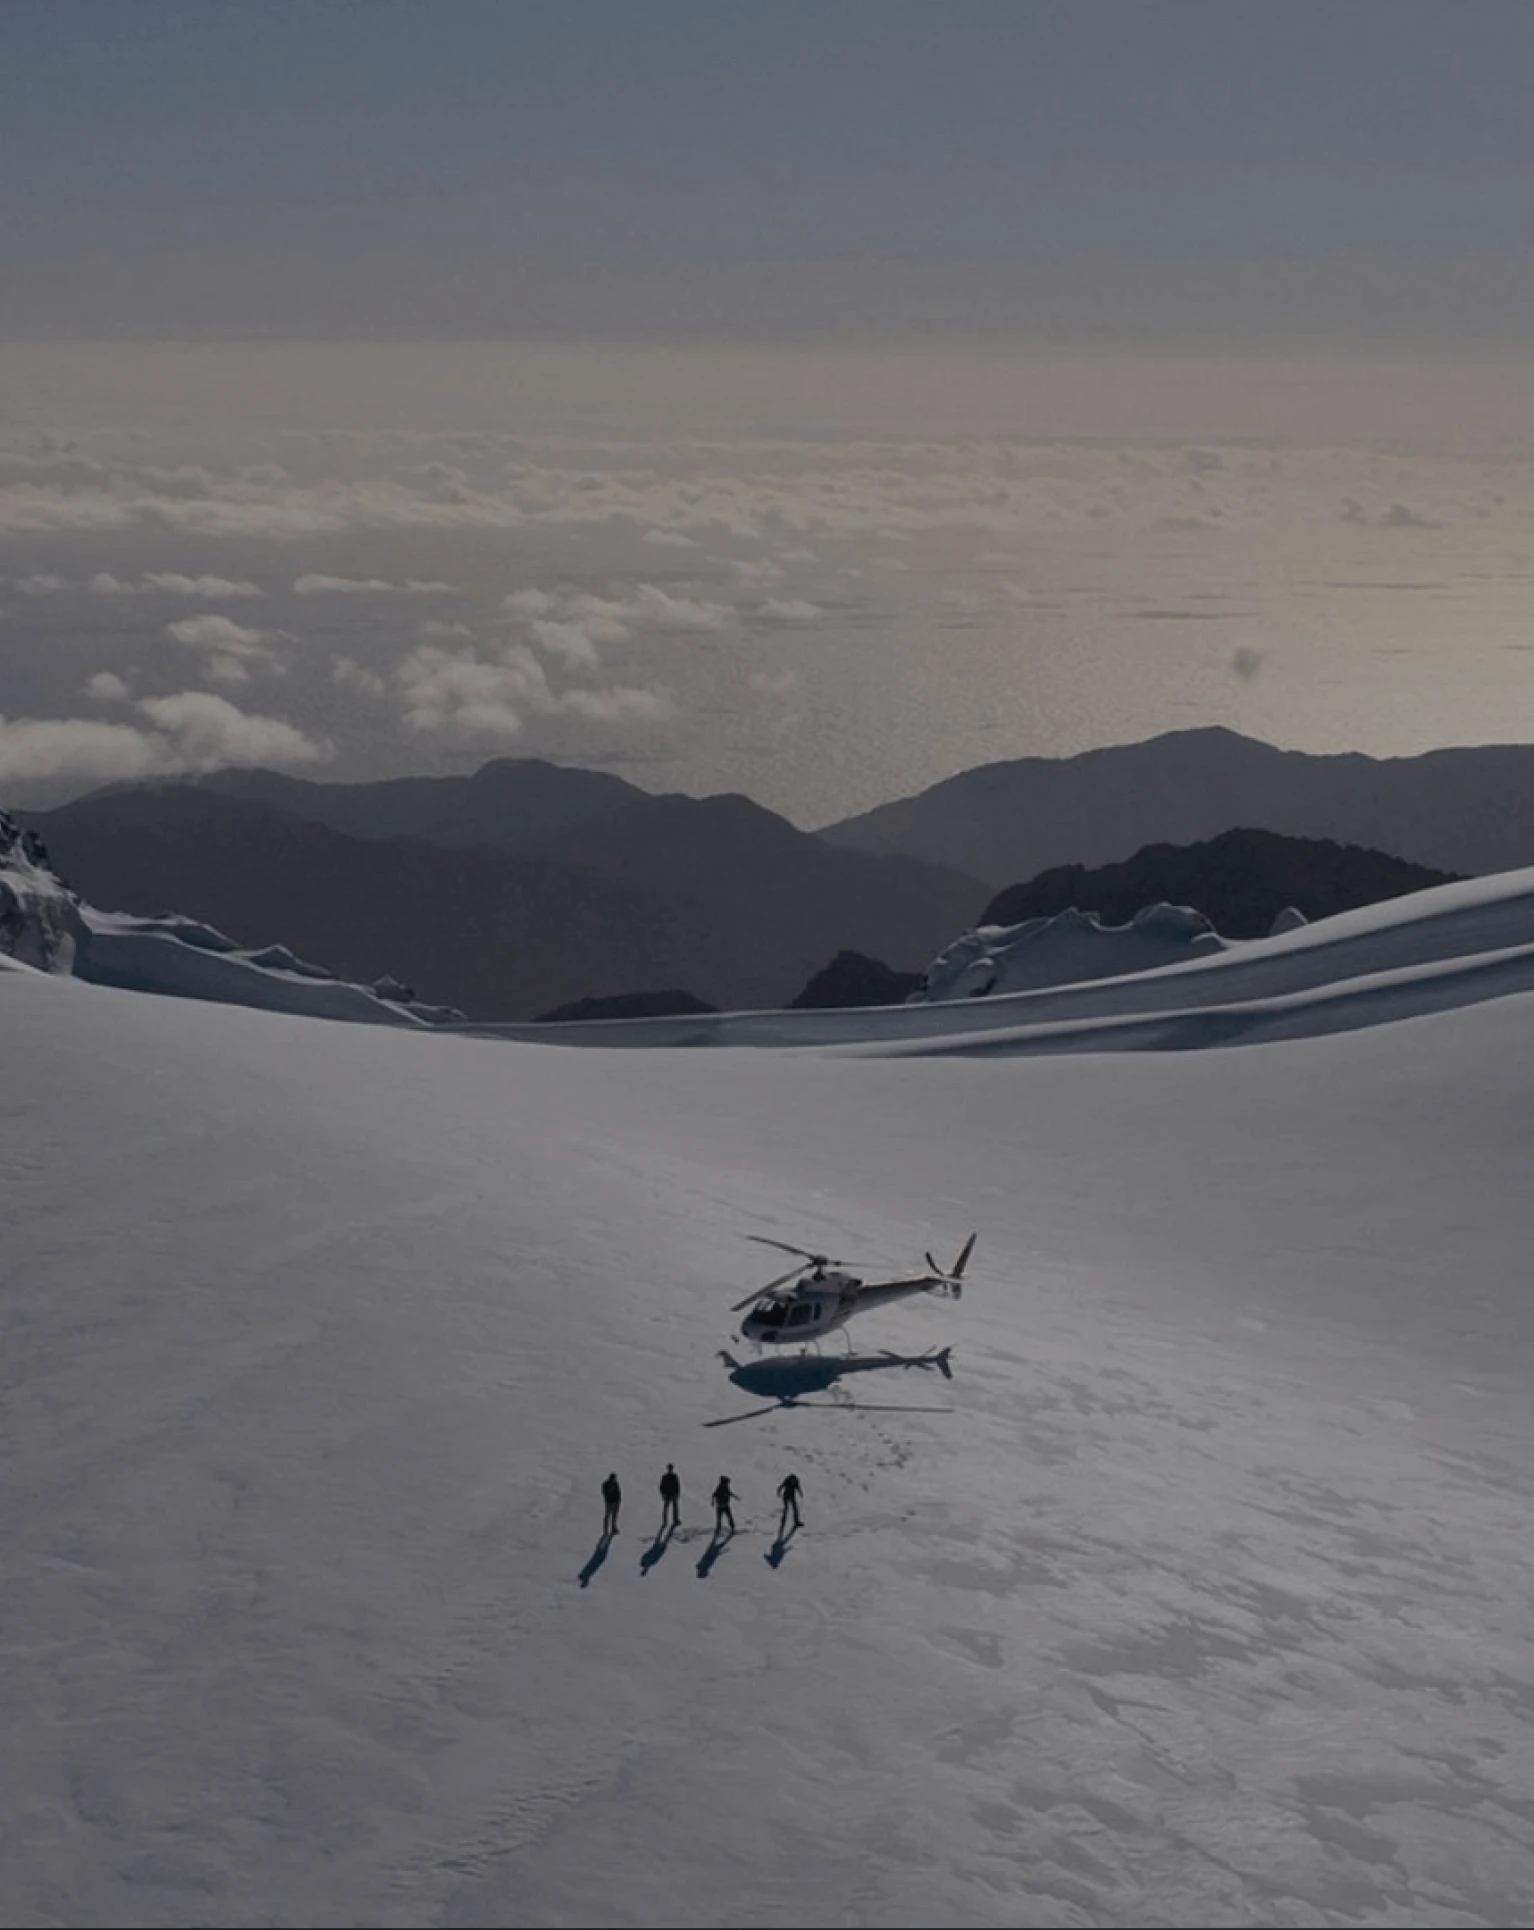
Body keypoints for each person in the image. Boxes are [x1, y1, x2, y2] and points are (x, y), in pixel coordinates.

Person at [659, 1462, 681, 1531]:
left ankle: (675, 1520)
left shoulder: (674, 1476)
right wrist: (663, 1494)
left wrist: (677, 1493)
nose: (670, 1470)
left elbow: (677, 1485)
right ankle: (665, 1521)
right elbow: (661, 1486)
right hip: (668, 1494)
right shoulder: (665, 1477)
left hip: (673, 1494)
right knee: (666, 1508)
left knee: (674, 1508)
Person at [600, 1471, 622, 1537]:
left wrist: (619, 1500)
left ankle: (613, 1528)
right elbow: (605, 1493)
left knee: (614, 1515)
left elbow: (618, 1491)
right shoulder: (605, 1484)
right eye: (614, 1478)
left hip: (616, 1502)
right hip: (609, 1503)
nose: (615, 1479)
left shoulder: (616, 1483)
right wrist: (610, 1490)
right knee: (607, 1516)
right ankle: (605, 1531)